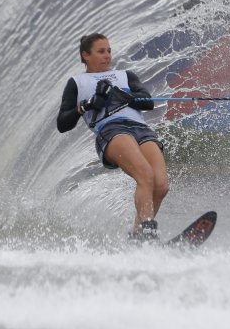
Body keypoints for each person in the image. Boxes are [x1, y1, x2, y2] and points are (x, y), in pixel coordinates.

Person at [56, 33, 169, 241]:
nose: (107, 55)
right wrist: (86, 106)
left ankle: (137, 234)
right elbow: (62, 123)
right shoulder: (77, 83)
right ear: (85, 55)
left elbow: (148, 102)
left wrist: (124, 96)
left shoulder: (125, 76)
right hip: (111, 130)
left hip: (140, 128)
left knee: (161, 185)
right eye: (101, 51)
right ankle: (148, 233)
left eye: (109, 51)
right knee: (145, 175)